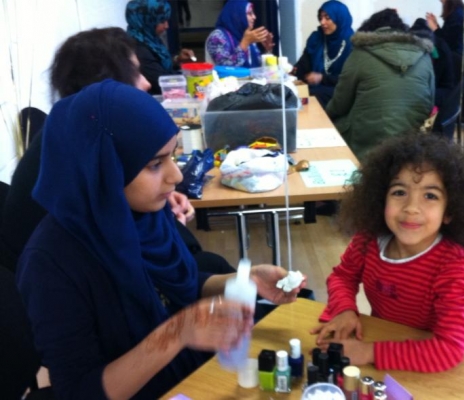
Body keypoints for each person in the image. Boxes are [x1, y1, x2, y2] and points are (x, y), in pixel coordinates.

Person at [16, 79, 305, 399]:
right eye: (155, 164)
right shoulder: (50, 265)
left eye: (172, 156)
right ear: (105, 171)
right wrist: (177, 332)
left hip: (190, 373)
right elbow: (80, 392)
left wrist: (243, 280)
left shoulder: (143, 214)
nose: (176, 176)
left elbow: (183, 283)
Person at [0, 27, 232, 276]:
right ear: (107, 83)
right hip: (80, 276)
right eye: (135, 72)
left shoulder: (82, 135)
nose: (146, 82)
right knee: (211, 268)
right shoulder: (77, 163)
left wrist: (162, 197)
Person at [311, 133, 464, 372]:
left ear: (449, 212)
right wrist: (345, 309)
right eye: (399, 192)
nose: (411, 208)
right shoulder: (368, 240)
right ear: (380, 199)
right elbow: (343, 276)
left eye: (430, 196)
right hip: (382, 340)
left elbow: (449, 349)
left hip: (421, 360)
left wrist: (368, 352)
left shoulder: (454, 266)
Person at [325, 9, 435, 162]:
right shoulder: (424, 56)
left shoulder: (360, 54)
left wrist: (324, 117)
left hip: (366, 148)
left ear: (370, 30)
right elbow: (429, 103)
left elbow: (340, 104)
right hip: (412, 148)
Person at [126, 0, 196, 94]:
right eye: (162, 21)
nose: (167, 26)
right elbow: (162, 82)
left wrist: (177, 59)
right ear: (147, 21)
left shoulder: (149, 39)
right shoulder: (138, 49)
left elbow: (158, 63)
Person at [293, 0, 354, 108]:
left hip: (341, 90)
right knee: (295, 92)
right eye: (320, 18)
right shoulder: (317, 39)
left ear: (339, 19)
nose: (322, 22)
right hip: (317, 89)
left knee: (313, 95)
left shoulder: (352, 43)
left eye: (327, 18)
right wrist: (292, 71)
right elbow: (304, 64)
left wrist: (322, 78)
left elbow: (350, 79)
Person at [205, 0, 274, 68]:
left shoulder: (247, 36)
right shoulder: (217, 37)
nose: (254, 17)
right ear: (237, 15)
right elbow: (225, 68)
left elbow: (258, 69)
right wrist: (245, 43)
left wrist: (268, 51)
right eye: (250, 13)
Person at [410, 18, 455, 110]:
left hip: (434, 97)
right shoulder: (405, 48)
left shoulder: (441, 50)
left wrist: (426, 95)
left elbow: (448, 89)